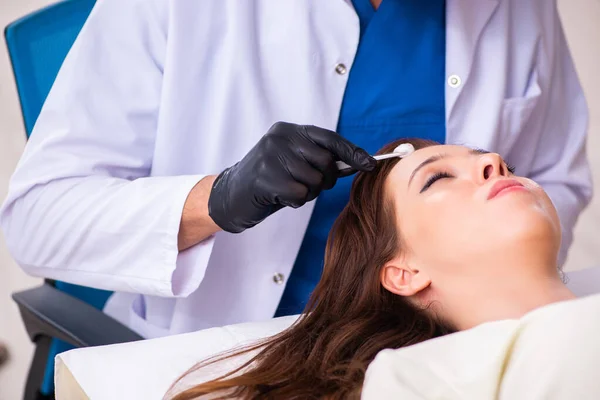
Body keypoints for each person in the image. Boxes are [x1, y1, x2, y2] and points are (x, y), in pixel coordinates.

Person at [0, 0, 591, 340]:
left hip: (450, 343)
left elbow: (556, 177)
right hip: (234, 348)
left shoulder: (520, 8)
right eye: (436, 176)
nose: (493, 164)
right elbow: (35, 221)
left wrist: (485, 280)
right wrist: (216, 201)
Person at [165, 139, 588, 399]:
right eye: (437, 179)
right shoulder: (413, 383)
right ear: (404, 272)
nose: (494, 160)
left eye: (507, 164)